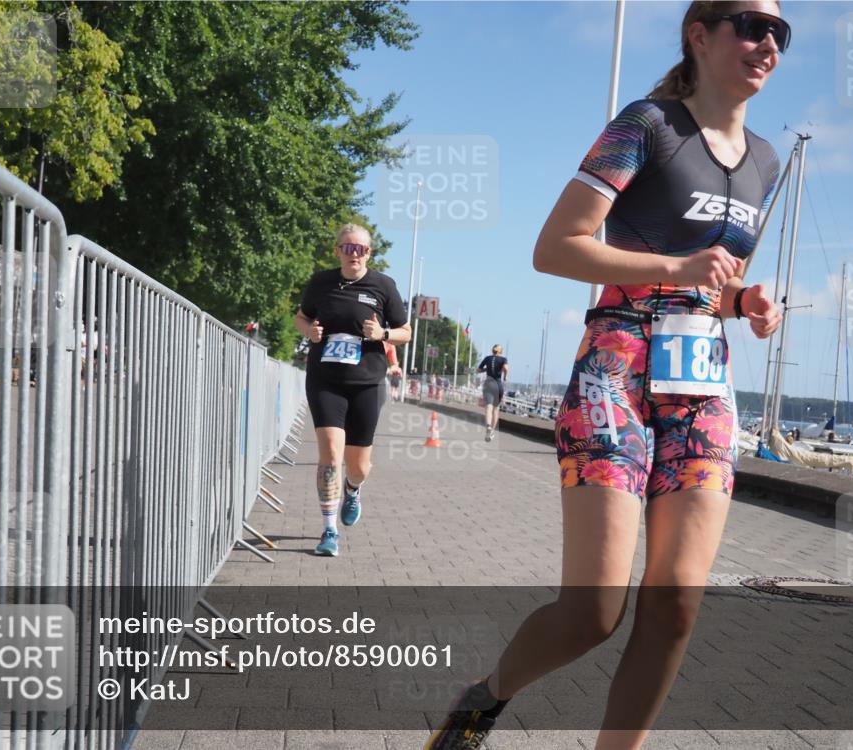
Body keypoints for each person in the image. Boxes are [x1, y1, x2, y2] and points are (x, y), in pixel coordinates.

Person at [426, 2, 786, 748]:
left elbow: (714, 285)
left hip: (701, 389)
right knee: (594, 612)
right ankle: (483, 701)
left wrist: (744, 301)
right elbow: (556, 247)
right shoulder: (646, 126)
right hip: (614, 373)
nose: (768, 44)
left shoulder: (766, 161)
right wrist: (675, 268)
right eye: (752, 25)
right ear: (700, 34)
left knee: (676, 605)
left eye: (780, 33)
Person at [294, 224, 411, 557]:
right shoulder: (321, 282)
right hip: (325, 379)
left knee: (359, 466)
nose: (354, 254)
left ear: (369, 253)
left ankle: (353, 489)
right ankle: (329, 530)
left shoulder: (383, 285)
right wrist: (309, 331)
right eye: (348, 248)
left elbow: (405, 332)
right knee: (331, 454)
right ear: (338, 251)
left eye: (360, 249)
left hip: (366, 383)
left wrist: (382, 334)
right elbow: (301, 318)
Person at [477, 345, 509, 442]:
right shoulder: (503, 359)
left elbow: (478, 370)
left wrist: (486, 369)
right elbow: (506, 368)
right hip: (498, 385)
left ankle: (488, 426)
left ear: (493, 351)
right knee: (496, 409)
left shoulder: (487, 358)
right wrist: (505, 376)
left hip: (488, 384)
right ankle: (492, 431)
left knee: (488, 407)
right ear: (501, 352)